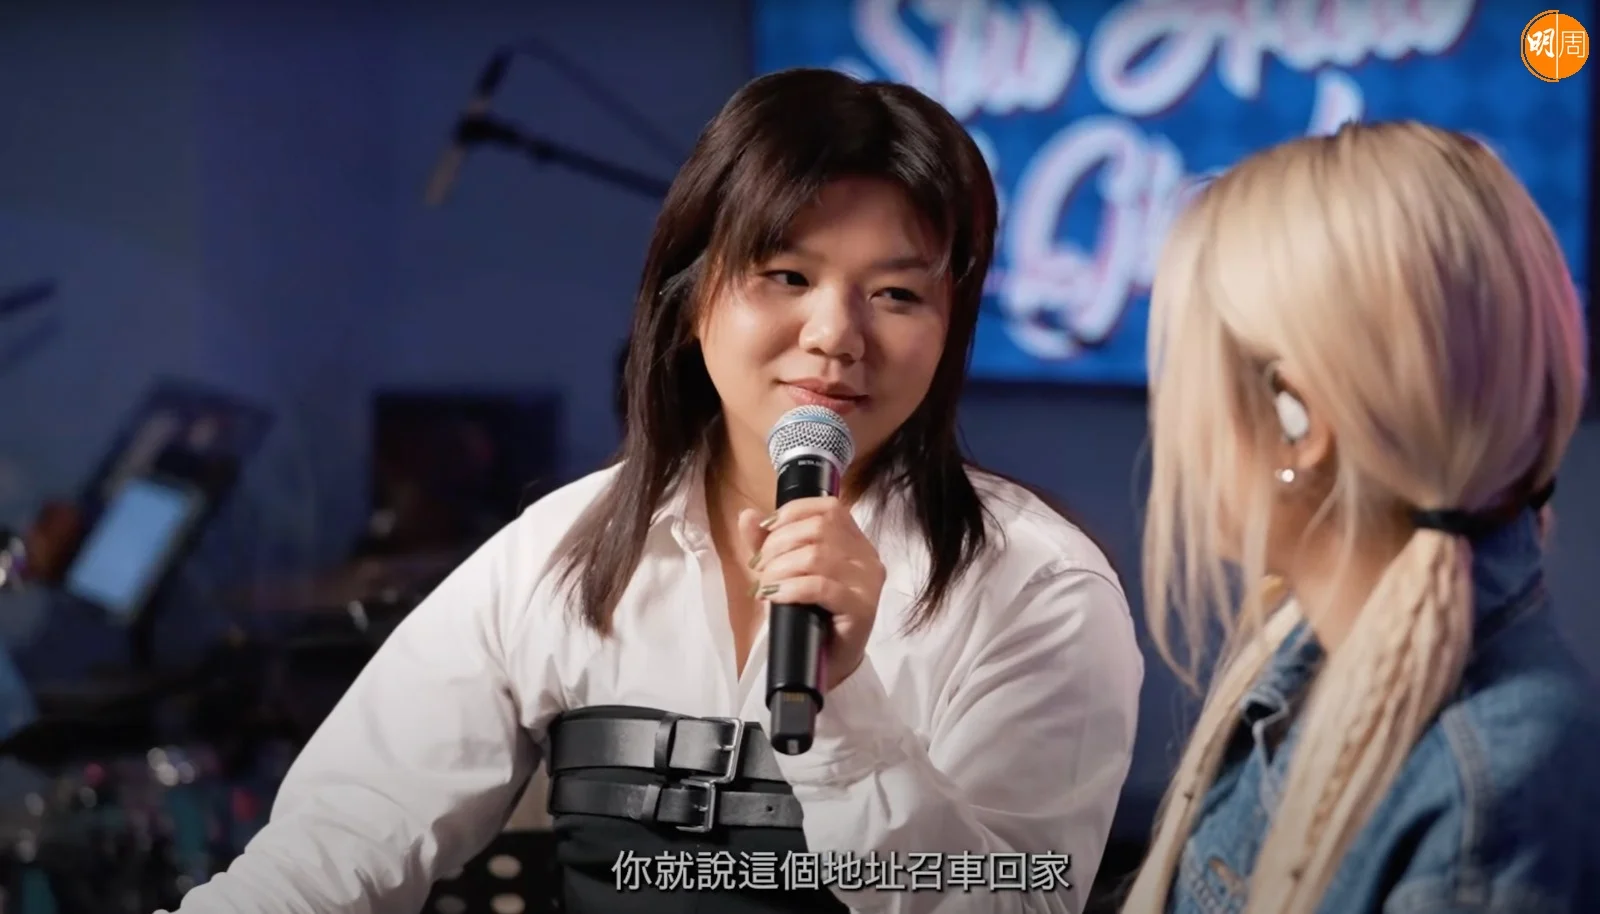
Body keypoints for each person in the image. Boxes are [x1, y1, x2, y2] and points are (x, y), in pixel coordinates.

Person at [166, 68, 1142, 914]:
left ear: (949, 325)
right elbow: (336, 847)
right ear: (691, 295)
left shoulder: (1036, 587)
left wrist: (847, 713)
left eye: (896, 293)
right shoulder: (561, 549)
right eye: (787, 274)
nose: (836, 335)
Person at [1121, 120, 1600, 914]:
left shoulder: (1493, 793)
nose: (1171, 415)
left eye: (1190, 371)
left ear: (1298, 421)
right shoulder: (1313, 662)